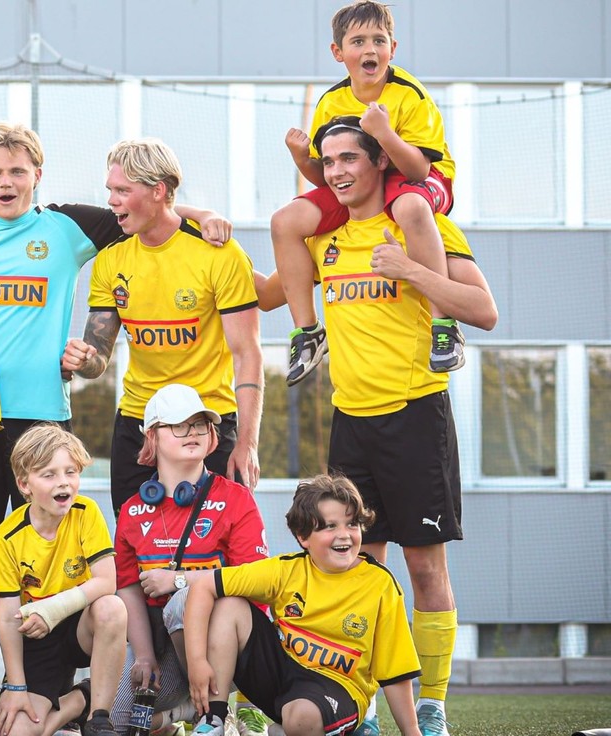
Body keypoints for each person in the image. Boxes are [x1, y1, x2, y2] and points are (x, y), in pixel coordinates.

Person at [0, 123, 230, 621]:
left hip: (41, 414)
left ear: (37, 175)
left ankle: (48, 656)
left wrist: (205, 215)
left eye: (17, 171)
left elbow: (147, 210)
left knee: (49, 541)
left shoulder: (66, 227)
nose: (6, 182)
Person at [279, 121, 499, 736]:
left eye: (349, 157)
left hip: (416, 417)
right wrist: (201, 224)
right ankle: (365, 708)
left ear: (380, 163)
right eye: (327, 161)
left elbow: (484, 311)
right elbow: (264, 290)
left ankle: (432, 706)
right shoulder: (323, 238)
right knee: (358, 573)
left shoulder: (423, 224)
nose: (337, 171)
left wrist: (411, 270)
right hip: (350, 423)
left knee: (425, 571)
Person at [63, 137, 263, 510]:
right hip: (139, 422)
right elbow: (98, 358)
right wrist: (83, 359)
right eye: (110, 190)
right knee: (133, 540)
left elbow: (247, 354)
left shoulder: (220, 254)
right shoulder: (110, 258)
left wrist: (248, 443)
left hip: (208, 421)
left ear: (157, 191)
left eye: (122, 190)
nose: (111, 201)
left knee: (219, 541)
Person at [271, 1, 461, 381]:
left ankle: (444, 325)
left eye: (379, 40)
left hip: (419, 177)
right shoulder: (331, 102)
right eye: (358, 41)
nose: (370, 49)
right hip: (366, 179)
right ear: (338, 52)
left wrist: (384, 133)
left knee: (409, 207)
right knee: (284, 221)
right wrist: (301, 158)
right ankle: (308, 332)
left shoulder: (410, 95)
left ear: (393, 47)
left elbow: (418, 170)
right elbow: (330, 177)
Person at [181, 475, 421, 736]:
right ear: (303, 536)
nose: (344, 535)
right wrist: (197, 663)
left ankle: (292, 730)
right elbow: (204, 586)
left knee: (302, 717)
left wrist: (412, 732)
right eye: (330, 526)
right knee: (229, 604)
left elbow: (396, 673)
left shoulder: (380, 584)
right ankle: (213, 720)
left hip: (338, 687)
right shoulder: (287, 570)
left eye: (352, 523)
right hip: (282, 677)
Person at [109, 384, 270, 735]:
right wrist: (144, 656)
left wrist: (179, 579)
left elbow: (257, 579)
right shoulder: (133, 510)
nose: (193, 433)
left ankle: (216, 711)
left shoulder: (236, 498)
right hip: (166, 646)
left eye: (200, 424)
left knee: (184, 600)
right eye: (179, 425)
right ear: (152, 437)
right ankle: (181, 713)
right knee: (118, 720)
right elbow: (128, 588)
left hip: (233, 644)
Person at [0, 426, 128, 736]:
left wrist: (52, 610)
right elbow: (8, 619)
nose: (63, 482)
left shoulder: (86, 512)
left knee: (112, 607)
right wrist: (16, 686)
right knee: (16, 732)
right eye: (49, 475)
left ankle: (98, 718)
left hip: (80, 628)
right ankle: (79, 700)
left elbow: (107, 581)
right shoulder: (6, 538)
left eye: (70, 471)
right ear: (24, 484)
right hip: (37, 639)